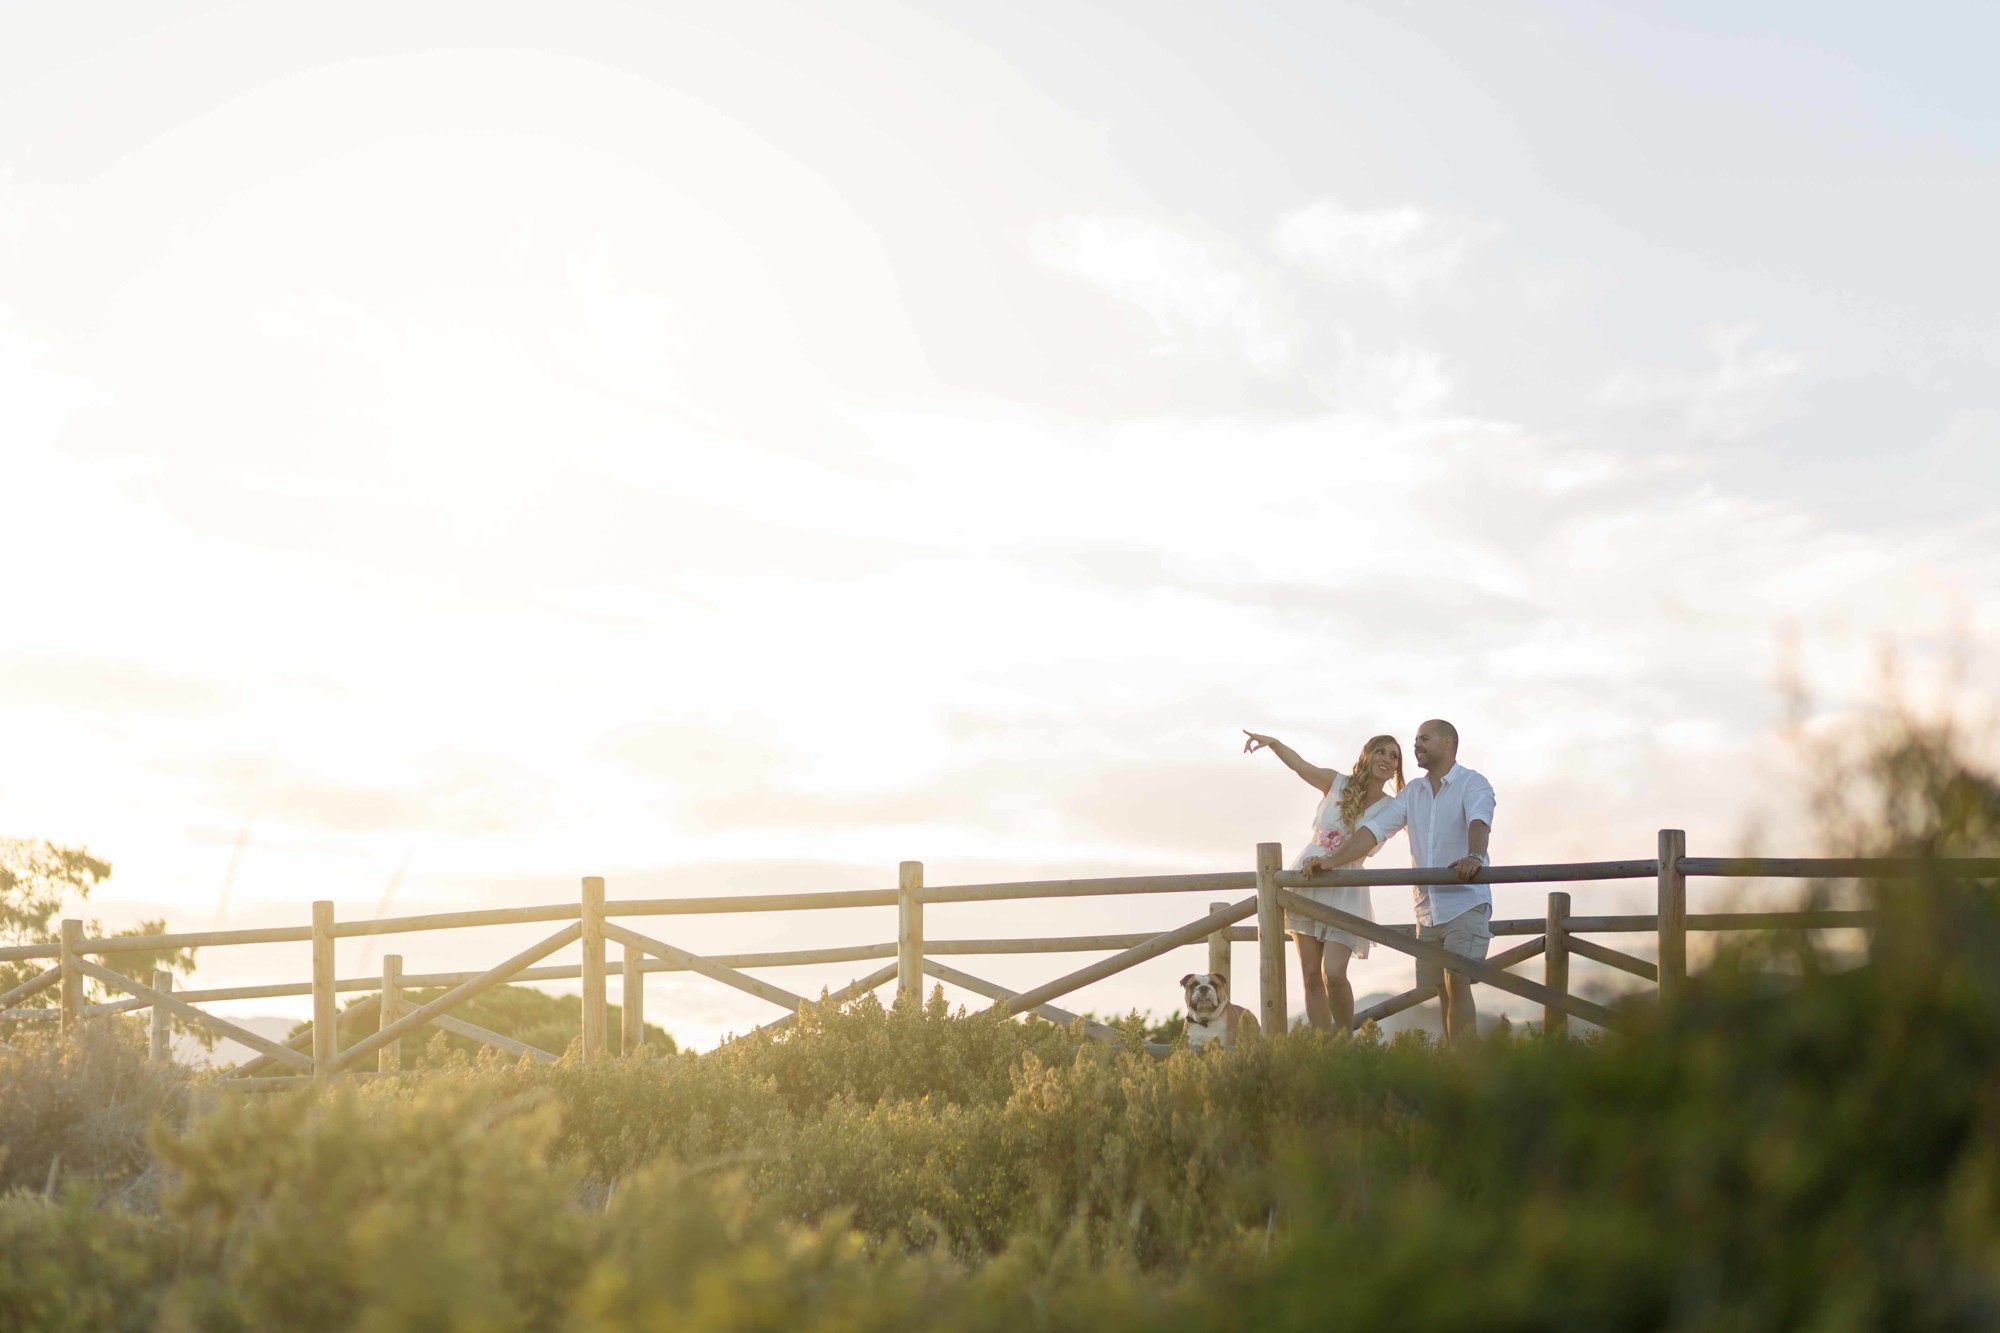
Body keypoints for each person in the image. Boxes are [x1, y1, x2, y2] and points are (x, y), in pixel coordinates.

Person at [1315, 719, 1495, 1044]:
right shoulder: (1411, 793)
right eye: (1415, 740)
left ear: (1447, 743)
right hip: (1427, 911)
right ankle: (1454, 1062)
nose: (1416, 745)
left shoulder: (1473, 783)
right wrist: (1330, 860)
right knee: (1441, 990)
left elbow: (1479, 821)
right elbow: (1372, 832)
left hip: (1465, 902)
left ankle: (1466, 1062)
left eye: (1424, 739)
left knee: (1458, 983)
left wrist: (1475, 856)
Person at [1241, 730, 1405, 1033]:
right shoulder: (1336, 782)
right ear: (1367, 755)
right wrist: (1274, 743)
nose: (1387, 759)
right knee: (1310, 975)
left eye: (1394, 756)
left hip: (1346, 887)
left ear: (1397, 767)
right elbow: (1300, 766)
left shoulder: (1393, 806)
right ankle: (1321, 1045)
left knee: (1334, 973)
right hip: (1308, 879)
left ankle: (1344, 1041)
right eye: (1381, 752)